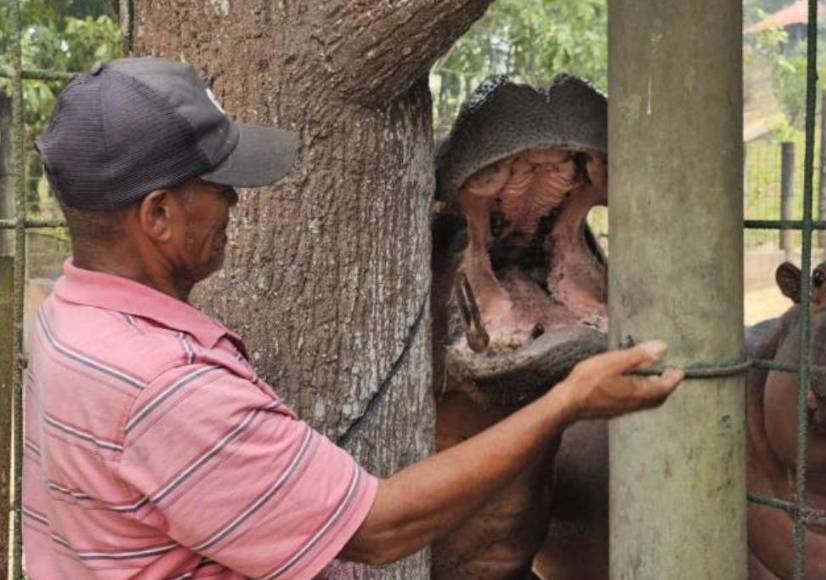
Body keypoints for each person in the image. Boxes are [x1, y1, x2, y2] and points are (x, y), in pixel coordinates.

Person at [22, 56, 683, 579]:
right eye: (217, 187)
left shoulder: (68, 320)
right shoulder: (167, 383)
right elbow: (375, 529)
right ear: (158, 215)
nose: (233, 202)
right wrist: (569, 401)